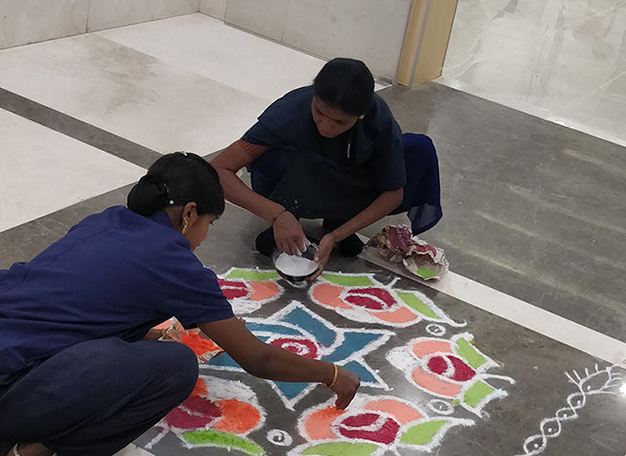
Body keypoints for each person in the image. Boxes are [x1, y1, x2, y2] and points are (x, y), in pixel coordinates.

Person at [0, 153, 360, 456]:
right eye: (210, 223)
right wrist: (330, 373)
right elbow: (258, 359)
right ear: (189, 213)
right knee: (174, 366)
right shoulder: (175, 263)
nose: (204, 237)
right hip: (11, 390)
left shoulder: (104, 221)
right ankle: (33, 451)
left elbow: (77, 305)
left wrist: (142, 335)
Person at [211, 58, 442, 272]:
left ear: (361, 115)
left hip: (346, 182)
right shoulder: (290, 111)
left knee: (418, 150)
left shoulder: (379, 121)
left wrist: (336, 236)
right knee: (282, 156)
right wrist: (277, 214)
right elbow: (219, 169)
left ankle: (338, 220)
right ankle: (289, 219)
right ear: (313, 96)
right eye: (319, 112)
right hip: (296, 183)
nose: (325, 126)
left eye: (340, 122)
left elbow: (393, 194)